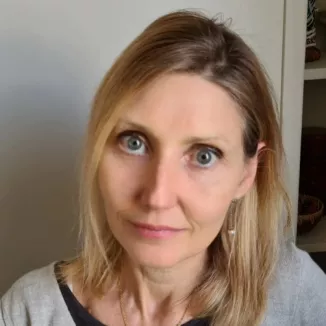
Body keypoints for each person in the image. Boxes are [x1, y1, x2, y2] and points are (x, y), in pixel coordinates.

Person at [1, 10, 326, 326]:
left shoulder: (296, 295)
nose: (158, 197)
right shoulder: (29, 311)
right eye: (134, 142)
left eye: (204, 156)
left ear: (247, 173)